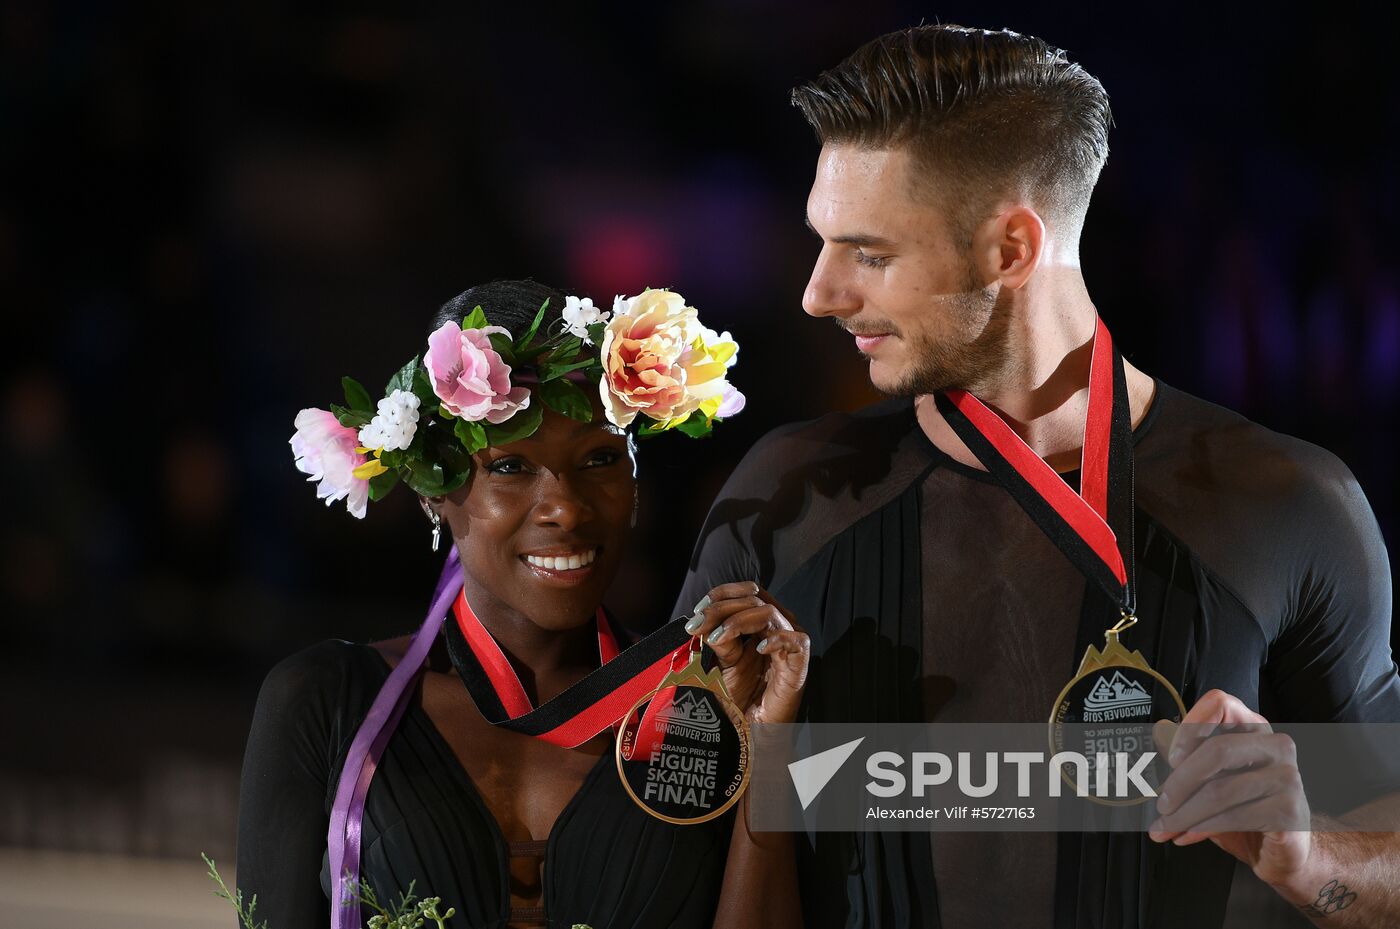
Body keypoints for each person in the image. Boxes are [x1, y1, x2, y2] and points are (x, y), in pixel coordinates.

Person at [674, 25, 1400, 929]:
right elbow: (670, 860)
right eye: (823, 243)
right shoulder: (786, 497)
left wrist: (1308, 856)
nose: (820, 293)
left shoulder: (1289, 503)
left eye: (870, 253)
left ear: (1011, 249)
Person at [237, 279, 809, 929]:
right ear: (429, 490)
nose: (565, 506)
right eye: (511, 467)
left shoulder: (702, 711)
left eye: (599, 457)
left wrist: (770, 745)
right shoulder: (326, 703)